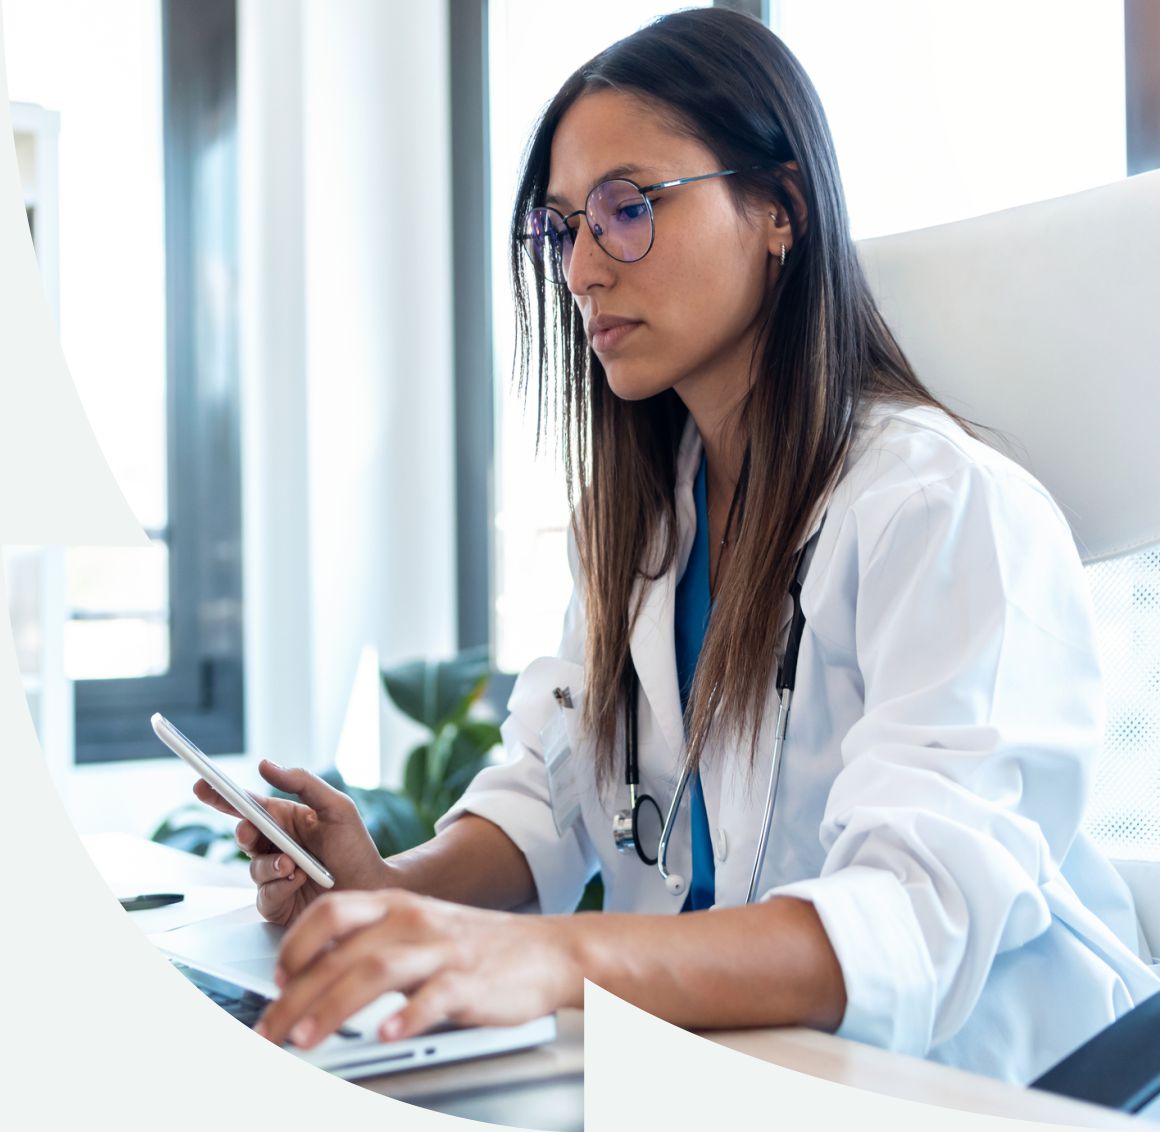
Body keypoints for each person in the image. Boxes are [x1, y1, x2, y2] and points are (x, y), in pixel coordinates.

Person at [194, 7, 1159, 1083]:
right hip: (728, 1067)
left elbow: (907, 917)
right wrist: (386, 885)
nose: (581, 272)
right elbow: (546, 804)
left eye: (627, 208)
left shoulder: (944, 513)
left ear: (779, 208)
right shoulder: (642, 522)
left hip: (991, 1082)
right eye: (563, 228)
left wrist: (546, 958)